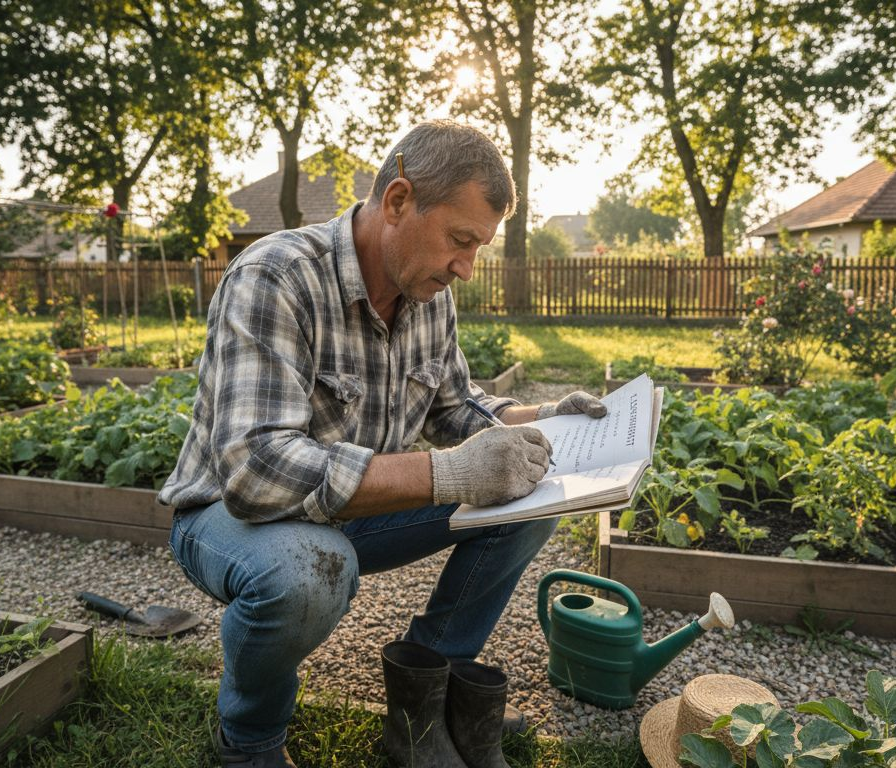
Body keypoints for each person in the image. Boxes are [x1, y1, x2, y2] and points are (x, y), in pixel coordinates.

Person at [158, 120, 608, 768]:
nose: (467, 267)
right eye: (460, 240)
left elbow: (456, 407)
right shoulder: (277, 277)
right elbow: (255, 472)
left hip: (355, 509)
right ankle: (250, 738)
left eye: (478, 248)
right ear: (398, 201)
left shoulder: (428, 294)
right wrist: (450, 475)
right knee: (308, 572)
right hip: (229, 517)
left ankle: (425, 702)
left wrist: (543, 417)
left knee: (533, 493)